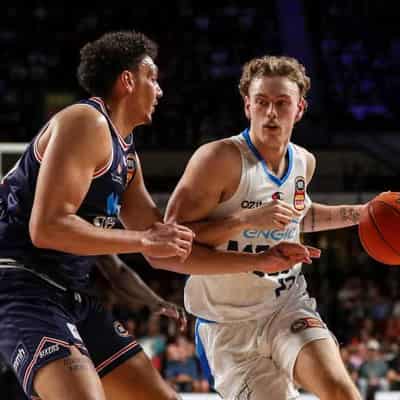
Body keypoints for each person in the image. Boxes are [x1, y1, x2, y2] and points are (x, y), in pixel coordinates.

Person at [0, 32, 318, 400]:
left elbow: (163, 246)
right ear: (128, 81)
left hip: (69, 293)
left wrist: (256, 258)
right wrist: (144, 239)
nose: (160, 90)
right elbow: (48, 229)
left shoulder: (127, 155)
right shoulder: (85, 122)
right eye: (152, 78)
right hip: (20, 285)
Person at [165, 55, 366, 400]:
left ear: (300, 108)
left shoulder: (304, 161)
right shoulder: (220, 159)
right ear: (248, 106)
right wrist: (247, 219)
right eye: (262, 102)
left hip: (285, 306)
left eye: (281, 103)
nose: (271, 112)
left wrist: (363, 213)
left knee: (341, 391)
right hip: (229, 326)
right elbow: (171, 237)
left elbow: (299, 215)